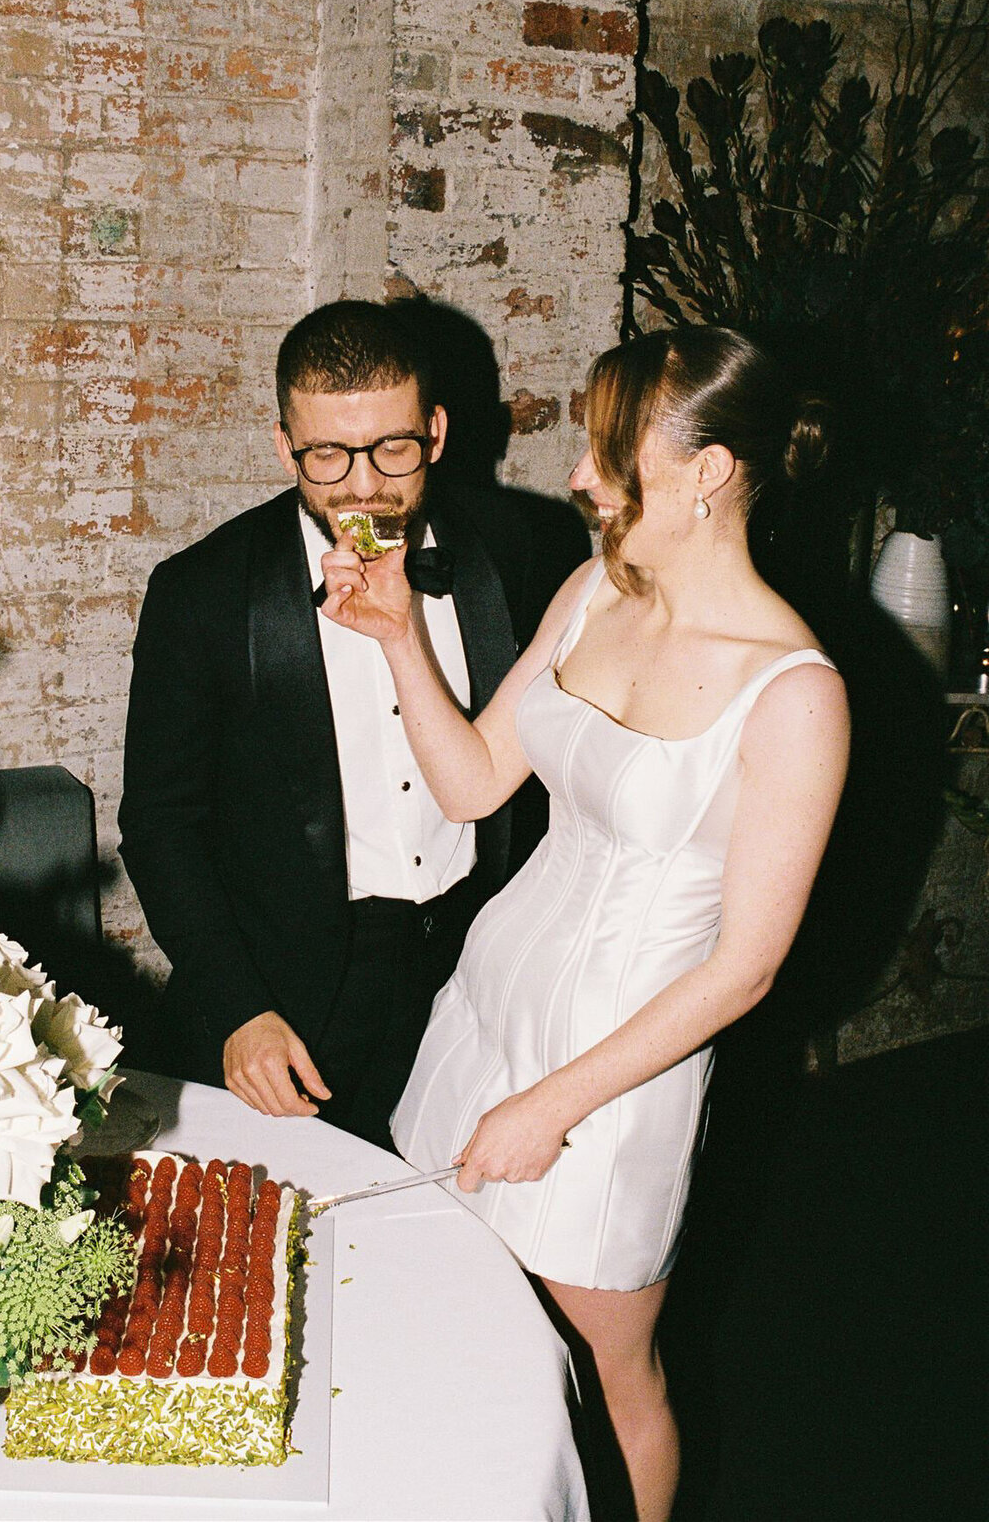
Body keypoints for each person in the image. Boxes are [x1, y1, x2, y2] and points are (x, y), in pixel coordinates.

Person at [318, 326, 850, 1522]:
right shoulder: (593, 588)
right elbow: (469, 786)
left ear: (707, 471)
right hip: (486, 1007)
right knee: (454, 1309)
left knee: (611, 1369)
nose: (579, 475)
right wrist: (399, 633)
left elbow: (748, 967)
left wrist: (554, 1103)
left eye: (610, 451)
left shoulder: (796, 692)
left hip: (617, 1074)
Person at [118, 299, 584, 1149]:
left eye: (392, 449)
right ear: (282, 445)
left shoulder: (523, 545)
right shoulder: (203, 592)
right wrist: (238, 1009)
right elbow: (160, 827)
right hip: (291, 990)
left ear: (436, 432)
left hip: (478, 967)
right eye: (328, 456)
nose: (364, 484)